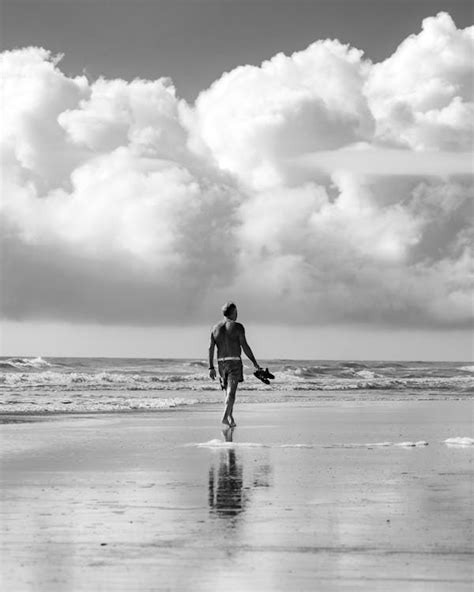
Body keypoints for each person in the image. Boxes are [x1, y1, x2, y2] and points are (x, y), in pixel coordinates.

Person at [208, 302, 261, 427]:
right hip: (234, 363)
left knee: (227, 393)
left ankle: (230, 417)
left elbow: (210, 348)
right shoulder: (238, 327)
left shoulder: (215, 328)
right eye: (236, 312)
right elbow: (245, 346)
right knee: (231, 393)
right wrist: (254, 362)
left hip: (221, 363)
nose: (237, 314)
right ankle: (224, 417)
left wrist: (211, 367)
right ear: (233, 312)